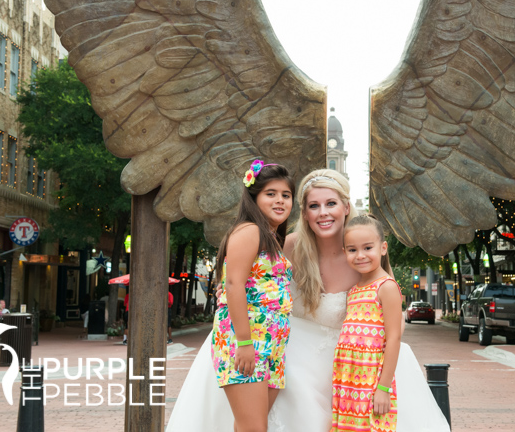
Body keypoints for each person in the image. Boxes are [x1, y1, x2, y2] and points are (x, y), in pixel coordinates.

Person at [167, 169, 449, 432]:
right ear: (304, 212)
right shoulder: (287, 245)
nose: (323, 213)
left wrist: (382, 383)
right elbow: (249, 278)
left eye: (331, 204)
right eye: (314, 206)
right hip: (285, 354)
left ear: (346, 207)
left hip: (353, 364)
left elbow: (390, 318)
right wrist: (226, 294)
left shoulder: (363, 254)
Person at [210, 160, 295, 432]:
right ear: (254, 197)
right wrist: (245, 343)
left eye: (286, 195)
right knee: (253, 428)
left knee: (250, 427)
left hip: (271, 344)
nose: (280, 200)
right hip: (248, 341)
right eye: (271, 194)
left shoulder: (271, 237)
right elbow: (234, 285)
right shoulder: (251, 231)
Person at [331, 214, 402, 431]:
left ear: (383, 248)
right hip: (347, 380)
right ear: (345, 253)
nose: (360, 255)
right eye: (352, 250)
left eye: (367, 248)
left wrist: (383, 388)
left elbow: (394, 339)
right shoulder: (354, 290)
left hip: (371, 381)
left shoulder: (386, 287)